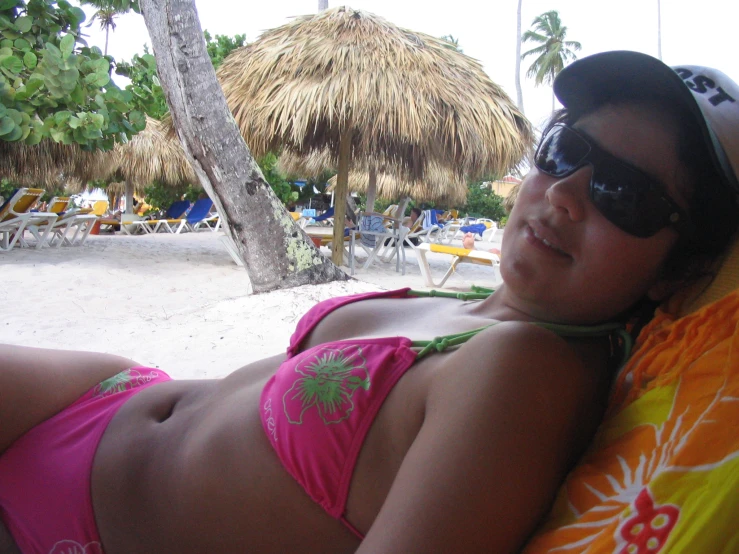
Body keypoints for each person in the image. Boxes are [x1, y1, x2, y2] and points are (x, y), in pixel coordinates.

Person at [2, 51, 739, 554]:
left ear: (674, 270)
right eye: (564, 150)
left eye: (624, 194)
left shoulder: (529, 373)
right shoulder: (496, 312)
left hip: (80, 518)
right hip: (103, 398)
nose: (567, 194)